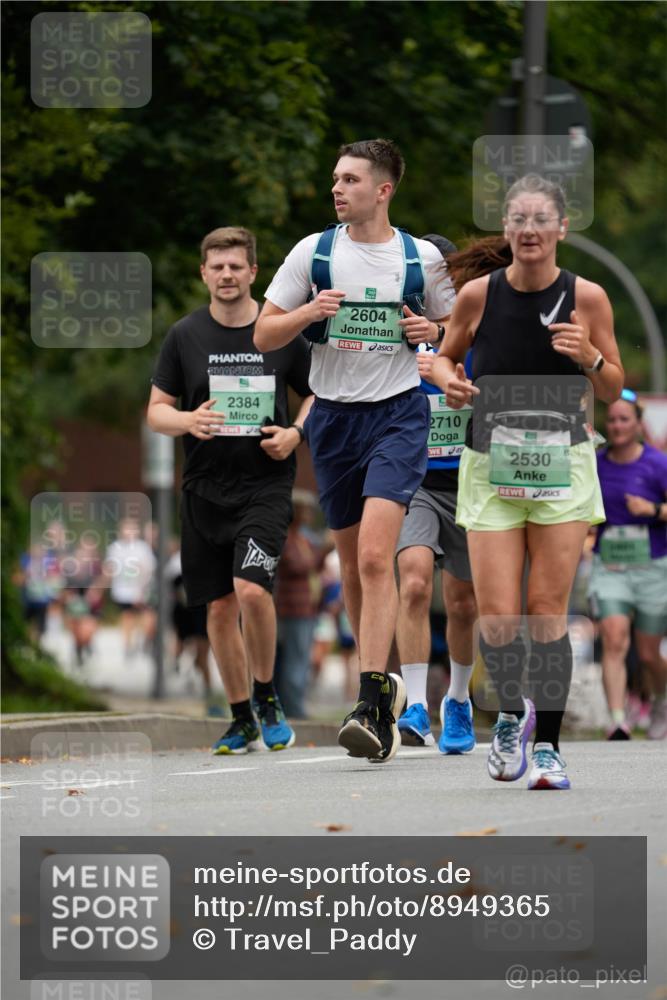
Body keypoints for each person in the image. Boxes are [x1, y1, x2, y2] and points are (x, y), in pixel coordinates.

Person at [255, 138, 455, 762]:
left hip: (398, 415)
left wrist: (434, 332)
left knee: (376, 557)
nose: (337, 189)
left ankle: (371, 702)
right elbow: (264, 333)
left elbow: (457, 331)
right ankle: (386, 681)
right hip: (334, 420)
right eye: (335, 179)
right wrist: (309, 310)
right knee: (352, 569)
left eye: (349, 180)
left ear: (383, 189)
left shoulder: (420, 259)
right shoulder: (313, 254)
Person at [432, 173, 624, 789]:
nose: (530, 229)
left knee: (546, 613)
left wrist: (590, 358)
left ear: (562, 229)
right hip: (491, 464)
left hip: (562, 464)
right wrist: (449, 381)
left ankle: (547, 748)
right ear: (507, 229)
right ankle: (511, 715)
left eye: (542, 219)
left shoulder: (587, 297)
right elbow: (443, 353)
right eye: (519, 219)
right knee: (497, 617)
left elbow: (615, 384)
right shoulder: (479, 296)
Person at [147, 226, 313, 754]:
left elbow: (319, 394)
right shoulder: (184, 336)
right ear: (204, 273)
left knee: (251, 590)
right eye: (217, 266)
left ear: (253, 273)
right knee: (218, 608)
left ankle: (267, 695)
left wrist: (296, 433)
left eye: (235, 266)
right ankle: (240, 716)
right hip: (202, 490)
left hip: (264, 486)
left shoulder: (280, 331)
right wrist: (187, 420)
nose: (226, 275)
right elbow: (155, 412)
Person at [396, 237, 511, 752]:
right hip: (417, 480)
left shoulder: (484, 324)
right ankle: (416, 705)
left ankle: (458, 700)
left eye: (447, 275)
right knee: (415, 583)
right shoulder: (400, 326)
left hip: (472, 478)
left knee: (464, 604)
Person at [588, 390, 667, 740]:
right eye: (613, 419)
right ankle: (617, 719)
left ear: (638, 424)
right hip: (611, 566)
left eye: (624, 419)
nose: (617, 426)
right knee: (615, 637)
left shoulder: (657, 463)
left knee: (649, 653)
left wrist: (651, 511)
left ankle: (661, 703)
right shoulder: (597, 464)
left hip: (652, 566)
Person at [273, 489, 328, 718]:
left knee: (296, 661)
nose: (308, 515)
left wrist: (323, 552)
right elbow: (297, 566)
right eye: (304, 511)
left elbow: (314, 565)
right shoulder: (285, 538)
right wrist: (324, 549)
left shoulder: (303, 538)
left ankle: (289, 707)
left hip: (305, 609)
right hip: (291, 610)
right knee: (294, 663)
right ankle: (294, 710)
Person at [104, 518, 157, 656]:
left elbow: (148, 570)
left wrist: (141, 589)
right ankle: (128, 646)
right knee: (127, 617)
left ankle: (146, 641)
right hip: (122, 591)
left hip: (142, 590)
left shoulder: (142, 548)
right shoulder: (115, 547)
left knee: (147, 617)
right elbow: (110, 569)